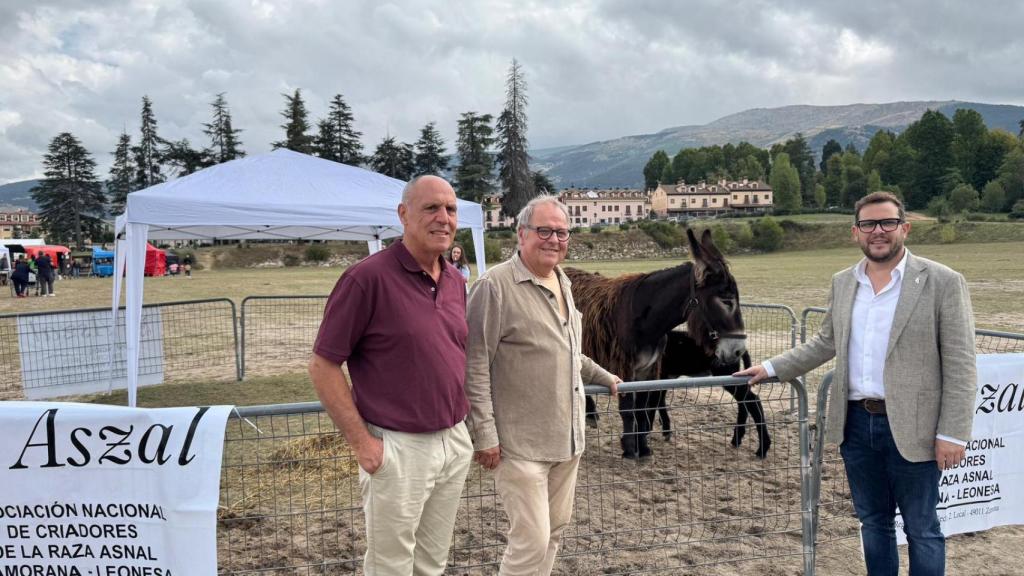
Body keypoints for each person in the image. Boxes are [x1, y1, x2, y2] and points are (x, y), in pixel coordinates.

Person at [735, 191, 976, 576]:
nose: (877, 231)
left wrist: (954, 433)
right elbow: (826, 341)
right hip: (856, 426)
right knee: (873, 523)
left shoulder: (943, 282)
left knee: (922, 529)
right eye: (868, 224)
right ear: (855, 232)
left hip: (917, 428)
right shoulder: (844, 282)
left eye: (887, 223)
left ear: (905, 228)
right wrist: (770, 367)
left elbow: (962, 364)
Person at [309, 175, 473, 576]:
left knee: (431, 563)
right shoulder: (366, 279)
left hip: (452, 441)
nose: (443, 218)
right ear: (403, 214)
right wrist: (363, 443)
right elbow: (323, 365)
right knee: (391, 567)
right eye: (431, 208)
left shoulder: (454, 280)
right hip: (399, 448)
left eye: (450, 209)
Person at [465, 195, 621, 576]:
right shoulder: (494, 287)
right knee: (531, 539)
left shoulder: (563, 282)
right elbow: (473, 364)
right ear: (521, 234)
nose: (554, 239)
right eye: (544, 230)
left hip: (567, 441)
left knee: (554, 532)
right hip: (519, 445)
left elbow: (567, 351)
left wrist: (602, 376)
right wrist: (484, 433)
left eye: (562, 232)